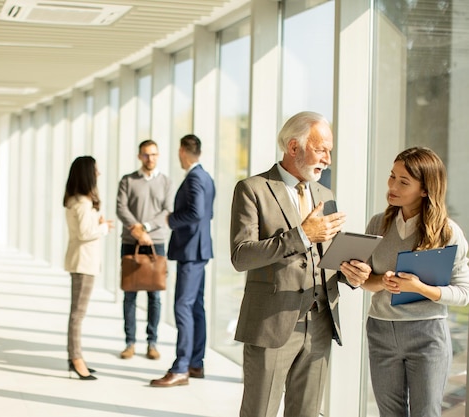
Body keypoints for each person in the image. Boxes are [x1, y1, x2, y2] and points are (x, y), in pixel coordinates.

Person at [230, 111, 370, 417]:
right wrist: (301, 235)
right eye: (321, 150)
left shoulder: (325, 193)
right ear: (294, 147)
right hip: (272, 324)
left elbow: (325, 256)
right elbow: (241, 255)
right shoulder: (252, 189)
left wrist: (351, 273)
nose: (327, 160)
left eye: (329, 152)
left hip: (320, 323)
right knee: (259, 412)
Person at [341, 147, 469, 416]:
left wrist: (419, 288)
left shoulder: (447, 232)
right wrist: (374, 279)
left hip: (427, 335)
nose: (392, 186)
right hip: (381, 329)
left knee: (426, 413)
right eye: (392, 177)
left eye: (403, 182)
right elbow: (368, 282)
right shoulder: (378, 224)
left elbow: (463, 292)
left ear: (425, 189)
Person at [150, 134, 215, 387]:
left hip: (191, 251)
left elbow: (196, 213)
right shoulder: (206, 177)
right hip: (199, 250)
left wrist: (170, 220)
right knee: (195, 306)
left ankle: (180, 368)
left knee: (183, 307)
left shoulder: (195, 178)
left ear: (182, 151)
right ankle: (195, 363)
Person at [116, 139, 174, 360]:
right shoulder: (128, 180)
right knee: (129, 294)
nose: (150, 158)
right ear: (139, 156)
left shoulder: (166, 182)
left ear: (158, 156)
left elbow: (167, 211)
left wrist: (147, 228)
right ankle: (130, 342)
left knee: (154, 296)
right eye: (146, 154)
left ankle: (152, 342)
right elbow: (121, 208)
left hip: (156, 243)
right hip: (131, 242)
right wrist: (137, 230)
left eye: (154, 154)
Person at [63, 156, 114, 381]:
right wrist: (102, 228)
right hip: (84, 263)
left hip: (81, 261)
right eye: (96, 170)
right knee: (78, 314)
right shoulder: (82, 203)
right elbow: (85, 234)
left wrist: (98, 223)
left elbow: (84, 229)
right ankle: (76, 358)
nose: (99, 174)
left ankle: (75, 356)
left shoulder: (77, 201)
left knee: (77, 313)